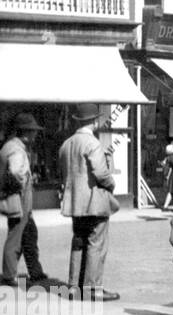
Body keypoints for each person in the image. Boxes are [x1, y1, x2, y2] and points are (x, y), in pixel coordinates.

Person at [58, 103, 119, 301]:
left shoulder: (66, 144)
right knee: (96, 244)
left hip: (75, 202)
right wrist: (111, 183)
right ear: (94, 120)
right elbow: (101, 173)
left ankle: (74, 286)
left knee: (78, 242)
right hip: (94, 202)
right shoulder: (92, 143)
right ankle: (92, 288)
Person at [2, 113, 49, 286]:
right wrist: (24, 181)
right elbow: (15, 171)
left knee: (29, 233)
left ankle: (35, 271)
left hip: (16, 197)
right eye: (33, 131)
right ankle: (9, 275)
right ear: (25, 132)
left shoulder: (9, 146)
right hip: (20, 198)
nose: (35, 135)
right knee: (16, 236)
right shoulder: (16, 149)